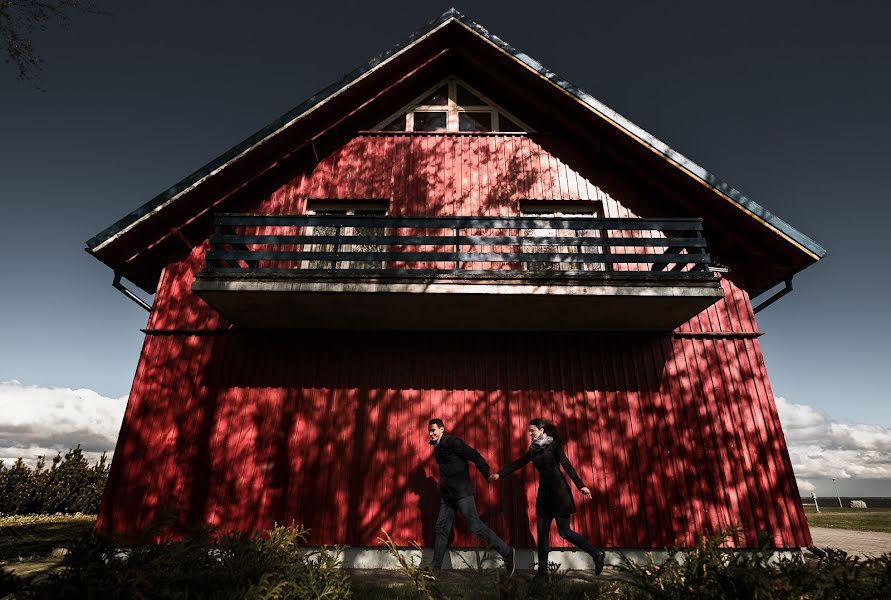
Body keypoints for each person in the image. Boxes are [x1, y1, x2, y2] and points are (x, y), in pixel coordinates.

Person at [491, 418, 605, 580]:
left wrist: (581, 485)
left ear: (542, 430)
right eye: (529, 431)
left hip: (559, 493)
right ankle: (543, 573)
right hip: (544, 494)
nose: (530, 434)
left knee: (564, 532)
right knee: (542, 532)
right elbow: (519, 463)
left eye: (532, 430)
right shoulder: (533, 449)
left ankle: (596, 553)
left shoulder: (553, 445)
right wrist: (499, 474)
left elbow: (567, 465)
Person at [427, 418, 514, 575]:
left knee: (475, 525)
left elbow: (473, 455)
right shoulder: (437, 447)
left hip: (461, 492)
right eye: (429, 431)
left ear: (442, 429)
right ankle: (435, 569)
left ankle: (507, 552)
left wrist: (487, 474)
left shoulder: (453, 442)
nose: (431, 433)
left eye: (433, 430)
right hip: (448, 495)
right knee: (441, 528)